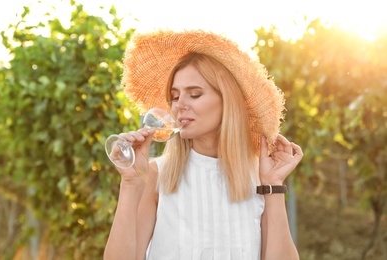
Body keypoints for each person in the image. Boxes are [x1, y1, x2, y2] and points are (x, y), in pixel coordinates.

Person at [104, 30, 303, 260]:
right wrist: (130, 183)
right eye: (175, 96)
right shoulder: (156, 175)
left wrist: (273, 185)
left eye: (195, 94)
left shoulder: (259, 178)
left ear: (227, 101)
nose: (179, 105)